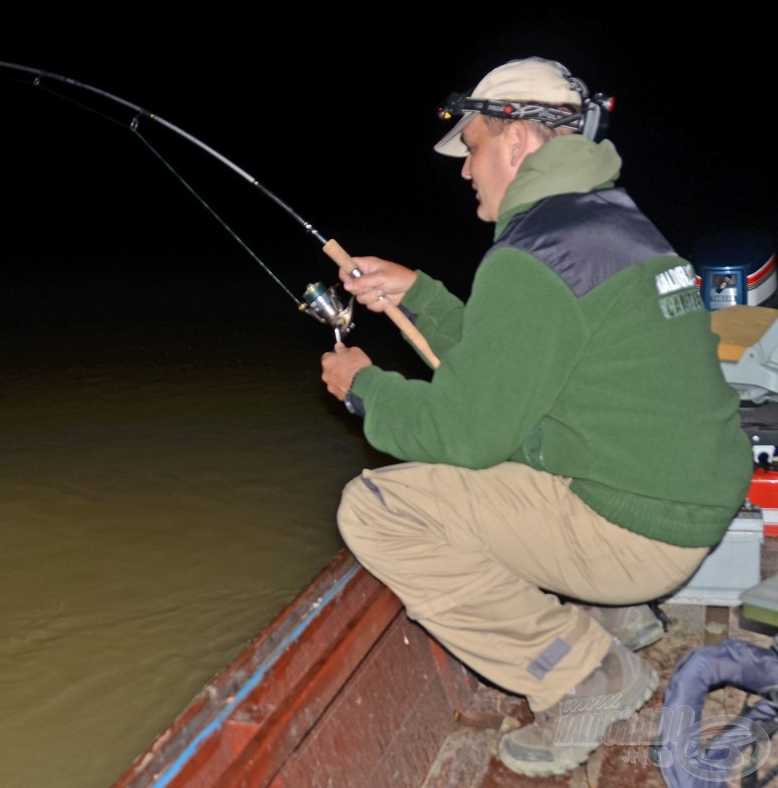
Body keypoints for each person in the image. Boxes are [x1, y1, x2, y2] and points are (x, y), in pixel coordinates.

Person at [319, 56, 753, 778]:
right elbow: (513, 369)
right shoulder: (611, 221)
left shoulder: (534, 256)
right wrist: (418, 293)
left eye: (475, 146)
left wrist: (367, 388)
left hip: (640, 529)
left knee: (376, 509)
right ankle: (622, 614)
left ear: (517, 142)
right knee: (513, 435)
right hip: (688, 502)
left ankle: (583, 672)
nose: (465, 169)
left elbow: (465, 429)